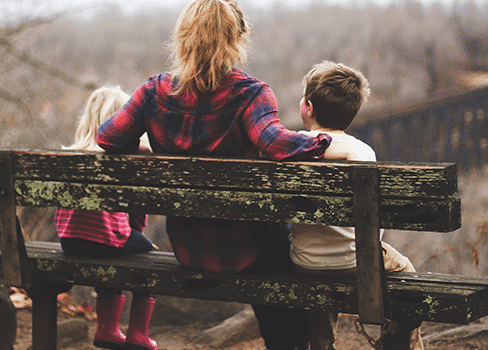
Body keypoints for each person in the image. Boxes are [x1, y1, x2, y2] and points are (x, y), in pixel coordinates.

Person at [96, 1, 333, 349]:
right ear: (237, 39)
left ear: (183, 38)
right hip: (251, 252)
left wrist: (146, 148)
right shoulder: (250, 94)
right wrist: (327, 140)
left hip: (189, 248)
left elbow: (108, 137)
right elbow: (276, 143)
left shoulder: (154, 92)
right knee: (285, 252)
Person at [289, 61, 424, 350]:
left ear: (309, 107)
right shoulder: (361, 151)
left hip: (304, 261)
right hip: (356, 261)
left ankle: (321, 344)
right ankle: (401, 342)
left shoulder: (291, 146)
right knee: (406, 269)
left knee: (321, 270)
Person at [55, 85, 157, 350]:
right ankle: (138, 334)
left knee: (114, 247)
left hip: (69, 241)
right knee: (148, 256)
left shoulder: (70, 155)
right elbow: (136, 212)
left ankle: (107, 329)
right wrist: (139, 235)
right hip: (105, 240)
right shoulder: (123, 158)